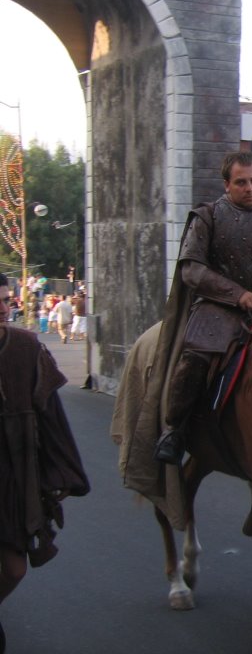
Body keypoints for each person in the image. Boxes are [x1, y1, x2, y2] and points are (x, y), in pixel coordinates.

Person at [153, 151, 252, 465]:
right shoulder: (207, 217)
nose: (249, 188)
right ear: (227, 185)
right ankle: (175, 430)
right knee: (196, 357)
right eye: (241, 182)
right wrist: (236, 294)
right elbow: (192, 269)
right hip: (219, 308)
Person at [0, 272, 90, 650]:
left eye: (4, 300)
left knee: (13, 567)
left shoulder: (25, 349)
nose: (2, 309)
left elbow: (52, 417)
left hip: (10, 474)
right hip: (219, 305)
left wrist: (61, 473)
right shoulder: (207, 222)